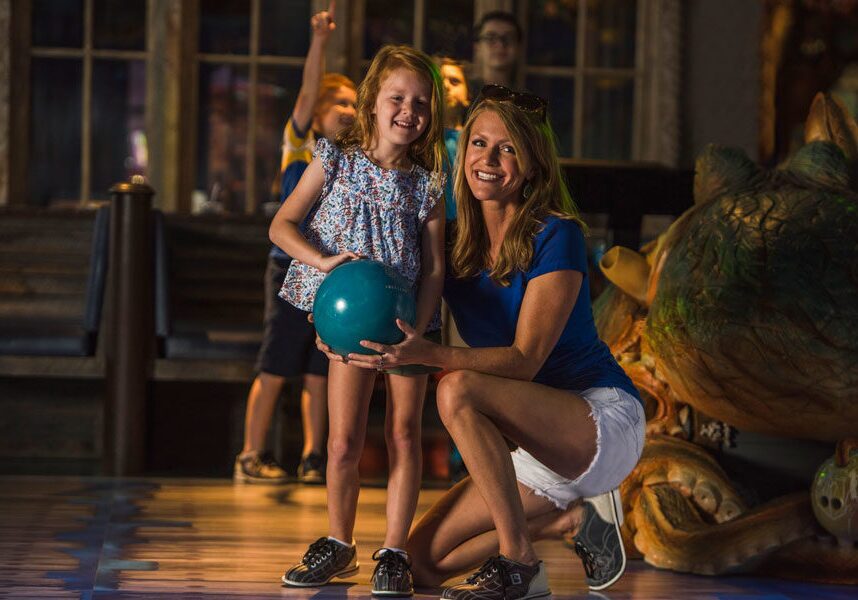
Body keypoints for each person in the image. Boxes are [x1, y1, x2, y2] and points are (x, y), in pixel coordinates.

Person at [338, 85, 645, 598]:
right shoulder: (452, 242)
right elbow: (387, 298)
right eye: (479, 144)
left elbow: (524, 362)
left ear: (532, 166)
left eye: (508, 149)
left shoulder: (557, 234)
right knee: (421, 565)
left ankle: (520, 564)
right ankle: (569, 521)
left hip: (596, 420)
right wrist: (339, 336)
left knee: (456, 389)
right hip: (536, 453)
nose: (488, 160)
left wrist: (433, 355)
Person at [270, 44, 447, 597]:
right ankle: (339, 542)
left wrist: (418, 335)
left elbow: (434, 269)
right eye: (397, 98)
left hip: (408, 326)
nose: (408, 111)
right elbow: (281, 226)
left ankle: (394, 552)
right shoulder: (335, 160)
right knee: (343, 441)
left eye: (420, 103)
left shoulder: (428, 185)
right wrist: (323, 264)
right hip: (350, 323)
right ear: (372, 101)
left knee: (403, 434)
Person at [234, 1, 356, 485]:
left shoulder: (348, 159)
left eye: (354, 103)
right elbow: (307, 92)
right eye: (339, 102)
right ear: (318, 112)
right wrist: (320, 42)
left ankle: (313, 456)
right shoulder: (301, 144)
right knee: (277, 362)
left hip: (329, 270)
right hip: (290, 266)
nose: (348, 110)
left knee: (318, 369)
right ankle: (250, 453)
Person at [470, 11, 523, 97]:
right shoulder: (462, 94)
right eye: (491, 38)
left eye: (508, 38)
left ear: (518, 48)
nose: (500, 45)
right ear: (477, 48)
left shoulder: (526, 101)